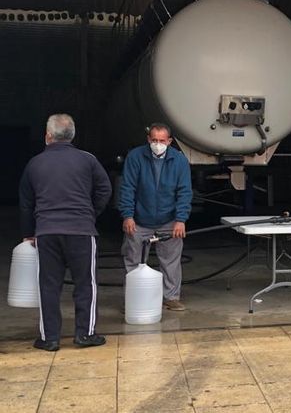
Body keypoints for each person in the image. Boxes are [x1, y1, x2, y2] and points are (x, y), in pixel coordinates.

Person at [19, 114, 112, 351]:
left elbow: (26, 203)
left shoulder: (35, 163)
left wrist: (29, 232)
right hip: (81, 231)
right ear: (72, 135)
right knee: (85, 284)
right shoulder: (87, 160)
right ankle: (85, 334)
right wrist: (90, 214)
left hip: (47, 232)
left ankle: (49, 338)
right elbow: (105, 189)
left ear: (48, 136)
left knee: (49, 285)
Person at [118, 123, 193, 311]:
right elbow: (127, 188)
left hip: (169, 220)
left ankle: (171, 297)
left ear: (169, 141)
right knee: (133, 261)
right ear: (148, 139)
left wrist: (180, 220)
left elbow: (184, 192)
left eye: (162, 140)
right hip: (139, 220)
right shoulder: (136, 157)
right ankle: (133, 299)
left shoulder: (179, 161)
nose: (157, 144)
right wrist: (128, 216)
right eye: (154, 140)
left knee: (171, 262)